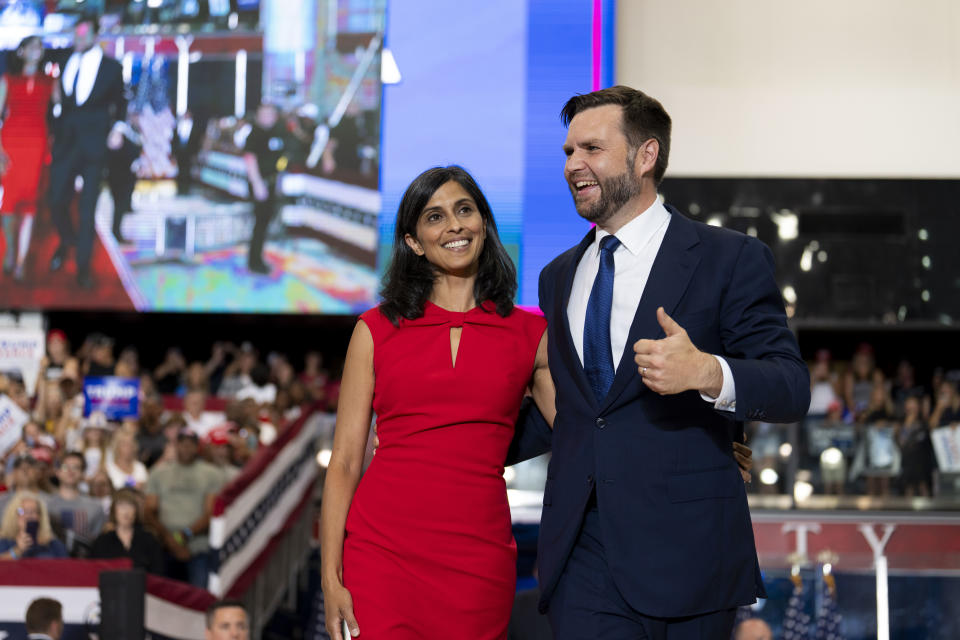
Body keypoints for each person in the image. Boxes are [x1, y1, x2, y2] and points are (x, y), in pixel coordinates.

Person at [525, 86, 809, 639]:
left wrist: (707, 373)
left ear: (646, 155)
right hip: (582, 557)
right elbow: (578, 410)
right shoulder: (557, 276)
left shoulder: (728, 258)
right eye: (567, 153)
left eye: (591, 149)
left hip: (690, 556)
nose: (573, 165)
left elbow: (790, 385)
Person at [320, 166, 555, 640]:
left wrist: (701, 441)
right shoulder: (375, 329)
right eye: (435, 216)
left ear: (484, 224)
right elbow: (344, 461)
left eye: (464, 210)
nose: (454, 225)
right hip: (381, 551)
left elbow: (588, 431)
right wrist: (330, 577)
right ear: (413, 240)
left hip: (477, 558)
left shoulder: (531, 334)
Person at [47, 17, 126, 289]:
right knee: (56, 199)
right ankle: (67, 239)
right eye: (75, 35)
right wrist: (56, 112)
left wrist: (118, 129)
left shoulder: (112, 68)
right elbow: (60, 102)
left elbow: (121, 103)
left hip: (94, 144)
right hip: (66, 143)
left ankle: (83, 266)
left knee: (88, 206)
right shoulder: (65, 61)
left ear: (95, 35)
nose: (77, 40)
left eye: (82, 35)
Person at [0, 35, 57, 282]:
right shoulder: (8, 80)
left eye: (40, 46)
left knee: (30, 205)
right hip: (11, 145)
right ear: (21, 51)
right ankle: (11, 250)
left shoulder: (51, 81)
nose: (37, 50)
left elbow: (63, 110)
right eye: (32, 46)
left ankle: (21, 261)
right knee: (8, 205)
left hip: (36, 146)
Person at [145, 429, 225, 587]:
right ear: (176, 446)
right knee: (163, 596)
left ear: (197, 447)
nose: (186, 448)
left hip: (198, 545)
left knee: (199, 596)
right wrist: (170, 539)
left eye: (190, 445)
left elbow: (211, 513)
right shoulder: (159, 473)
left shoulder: (212, 474)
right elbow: (149, 511)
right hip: (164, 544)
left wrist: (182, 536)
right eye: (182, 444)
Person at [241, 102, 286, 274]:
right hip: (260, 184)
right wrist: (257, 184)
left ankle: (258, 258)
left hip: (272, 183)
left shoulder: (276, 133)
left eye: (270, 114)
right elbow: (250, 160)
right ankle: (254, 262)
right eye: (264, 114)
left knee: (265, 222)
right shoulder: (255, 134)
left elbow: (280, 160)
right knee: (259, 224)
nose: (267, 117)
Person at [43, 451, 106, 556]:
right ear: (57, 471)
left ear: (83, 474)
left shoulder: (96, 507)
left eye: (76, 467)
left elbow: (98, 543)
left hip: (84, 564)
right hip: (51, 564)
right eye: (65, 467)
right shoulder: (45, 505)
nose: (70, 471)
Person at [90, 488, 163, 573]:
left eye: (130, 506)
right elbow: (94, 572)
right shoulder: (101, 542)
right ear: (114, 510)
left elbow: (159, 573)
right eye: (121, 505)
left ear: (136, 511)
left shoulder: (149, 540)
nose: (126, 511)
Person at [0, 491, 67, 559]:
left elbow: (67, 566)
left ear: (40, 517)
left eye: (34, 511)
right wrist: (18, 550)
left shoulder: (54, 545)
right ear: (13, 515)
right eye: (23, 511)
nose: (29, 515)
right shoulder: (4, 542)